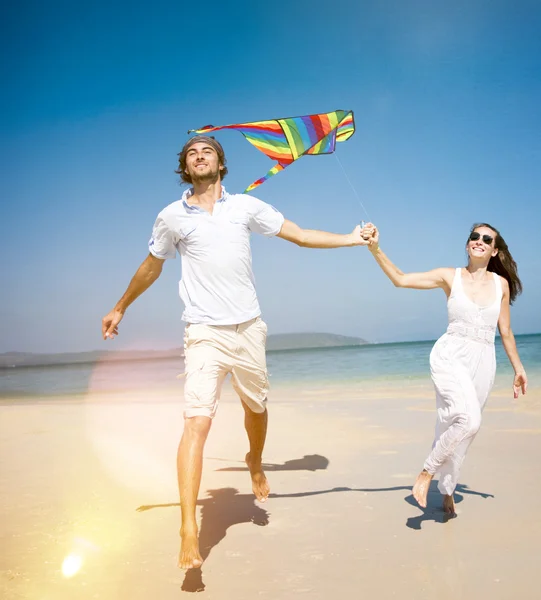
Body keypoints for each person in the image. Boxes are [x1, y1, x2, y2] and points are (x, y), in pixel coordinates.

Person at [101, 135, 369, 569]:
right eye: (192, 152)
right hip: (203, 332)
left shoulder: (245, 206)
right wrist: (119, 307)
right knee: (197, 423)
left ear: (221, 164)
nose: (200, 154)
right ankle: (189, 528)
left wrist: (352, 238)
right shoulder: (171, 216)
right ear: (185, 167)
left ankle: (255, 460)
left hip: (248, 329)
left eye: (207, 150)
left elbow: (298, 235)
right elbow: (152, 264)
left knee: (256, 408)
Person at [361, 222, 528, 516]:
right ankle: (426, 473)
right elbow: (400, 279)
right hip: (450, 355)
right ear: (467, 245)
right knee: (468, 419)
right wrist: (375, 248)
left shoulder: (500, 285)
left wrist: (518, 368)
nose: (479, 240)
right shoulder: (450, 276)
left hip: (483, 361)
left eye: (486, 239)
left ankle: (448, 488)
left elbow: (506, 331)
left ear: (494, 250)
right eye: (474, 236)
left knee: (459, 429)